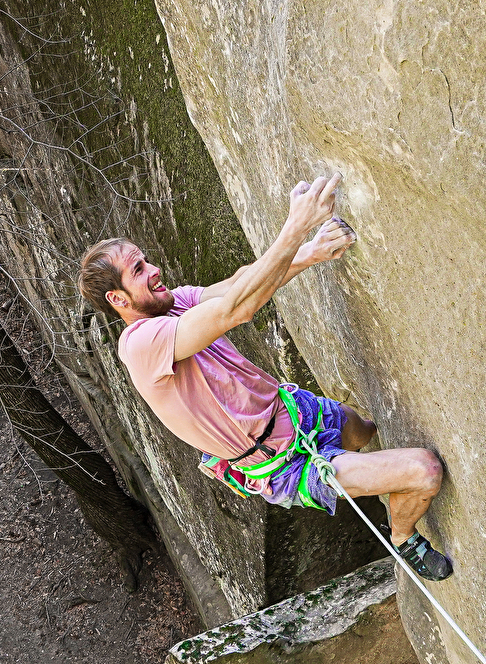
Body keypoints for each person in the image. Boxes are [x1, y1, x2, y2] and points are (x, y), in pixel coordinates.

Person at [77, 173, 452, 580]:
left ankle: (363, 471)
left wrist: (310, 252)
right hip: (281, 464)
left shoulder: (173, 303)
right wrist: (296, 226)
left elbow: (239, 284)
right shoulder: (140, 345)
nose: (154, 268)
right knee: (424, 470)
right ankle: (402, 537)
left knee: (364, 430)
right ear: (118, 299)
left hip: (296, 412)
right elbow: (235, 310)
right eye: (138, 269)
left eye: (144, 259)